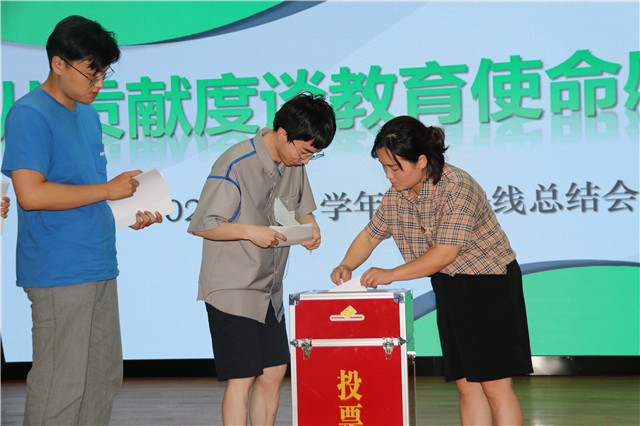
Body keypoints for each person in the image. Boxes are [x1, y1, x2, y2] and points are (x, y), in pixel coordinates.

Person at [1, 16, 163, 425]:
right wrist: (107, 190)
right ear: (58, 64)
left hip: (98, 262)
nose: (99, 84)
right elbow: (31, 194)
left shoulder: (87, 115)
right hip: (59, 269)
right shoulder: (29, 114)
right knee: (61, 385)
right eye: (92, 74)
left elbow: (82, 188)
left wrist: (127, 207)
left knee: (102, 379)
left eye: (104, 74)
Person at [331, 116, 533, 425]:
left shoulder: (456, 187)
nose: (388, 175)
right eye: (384, 167)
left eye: (395, 167)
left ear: (422, 161)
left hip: (489, 285)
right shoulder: (396, 195)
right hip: (450, 287)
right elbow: (371, 235)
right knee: (466, 385)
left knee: (495, 385)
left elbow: (444, 254)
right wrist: (347, 263)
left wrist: (391, 274)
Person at [188, 92, 336, 426]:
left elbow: (302, 209)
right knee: (242, 376)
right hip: (232, 288)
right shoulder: (235, 163)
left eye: (314, 155)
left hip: (269, 288)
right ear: (283, 134)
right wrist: (251, 232)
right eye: (305, 151)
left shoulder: (293, 162)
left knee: (274, 370)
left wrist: (311, 229)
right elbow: (203, 224)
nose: (306, 161)